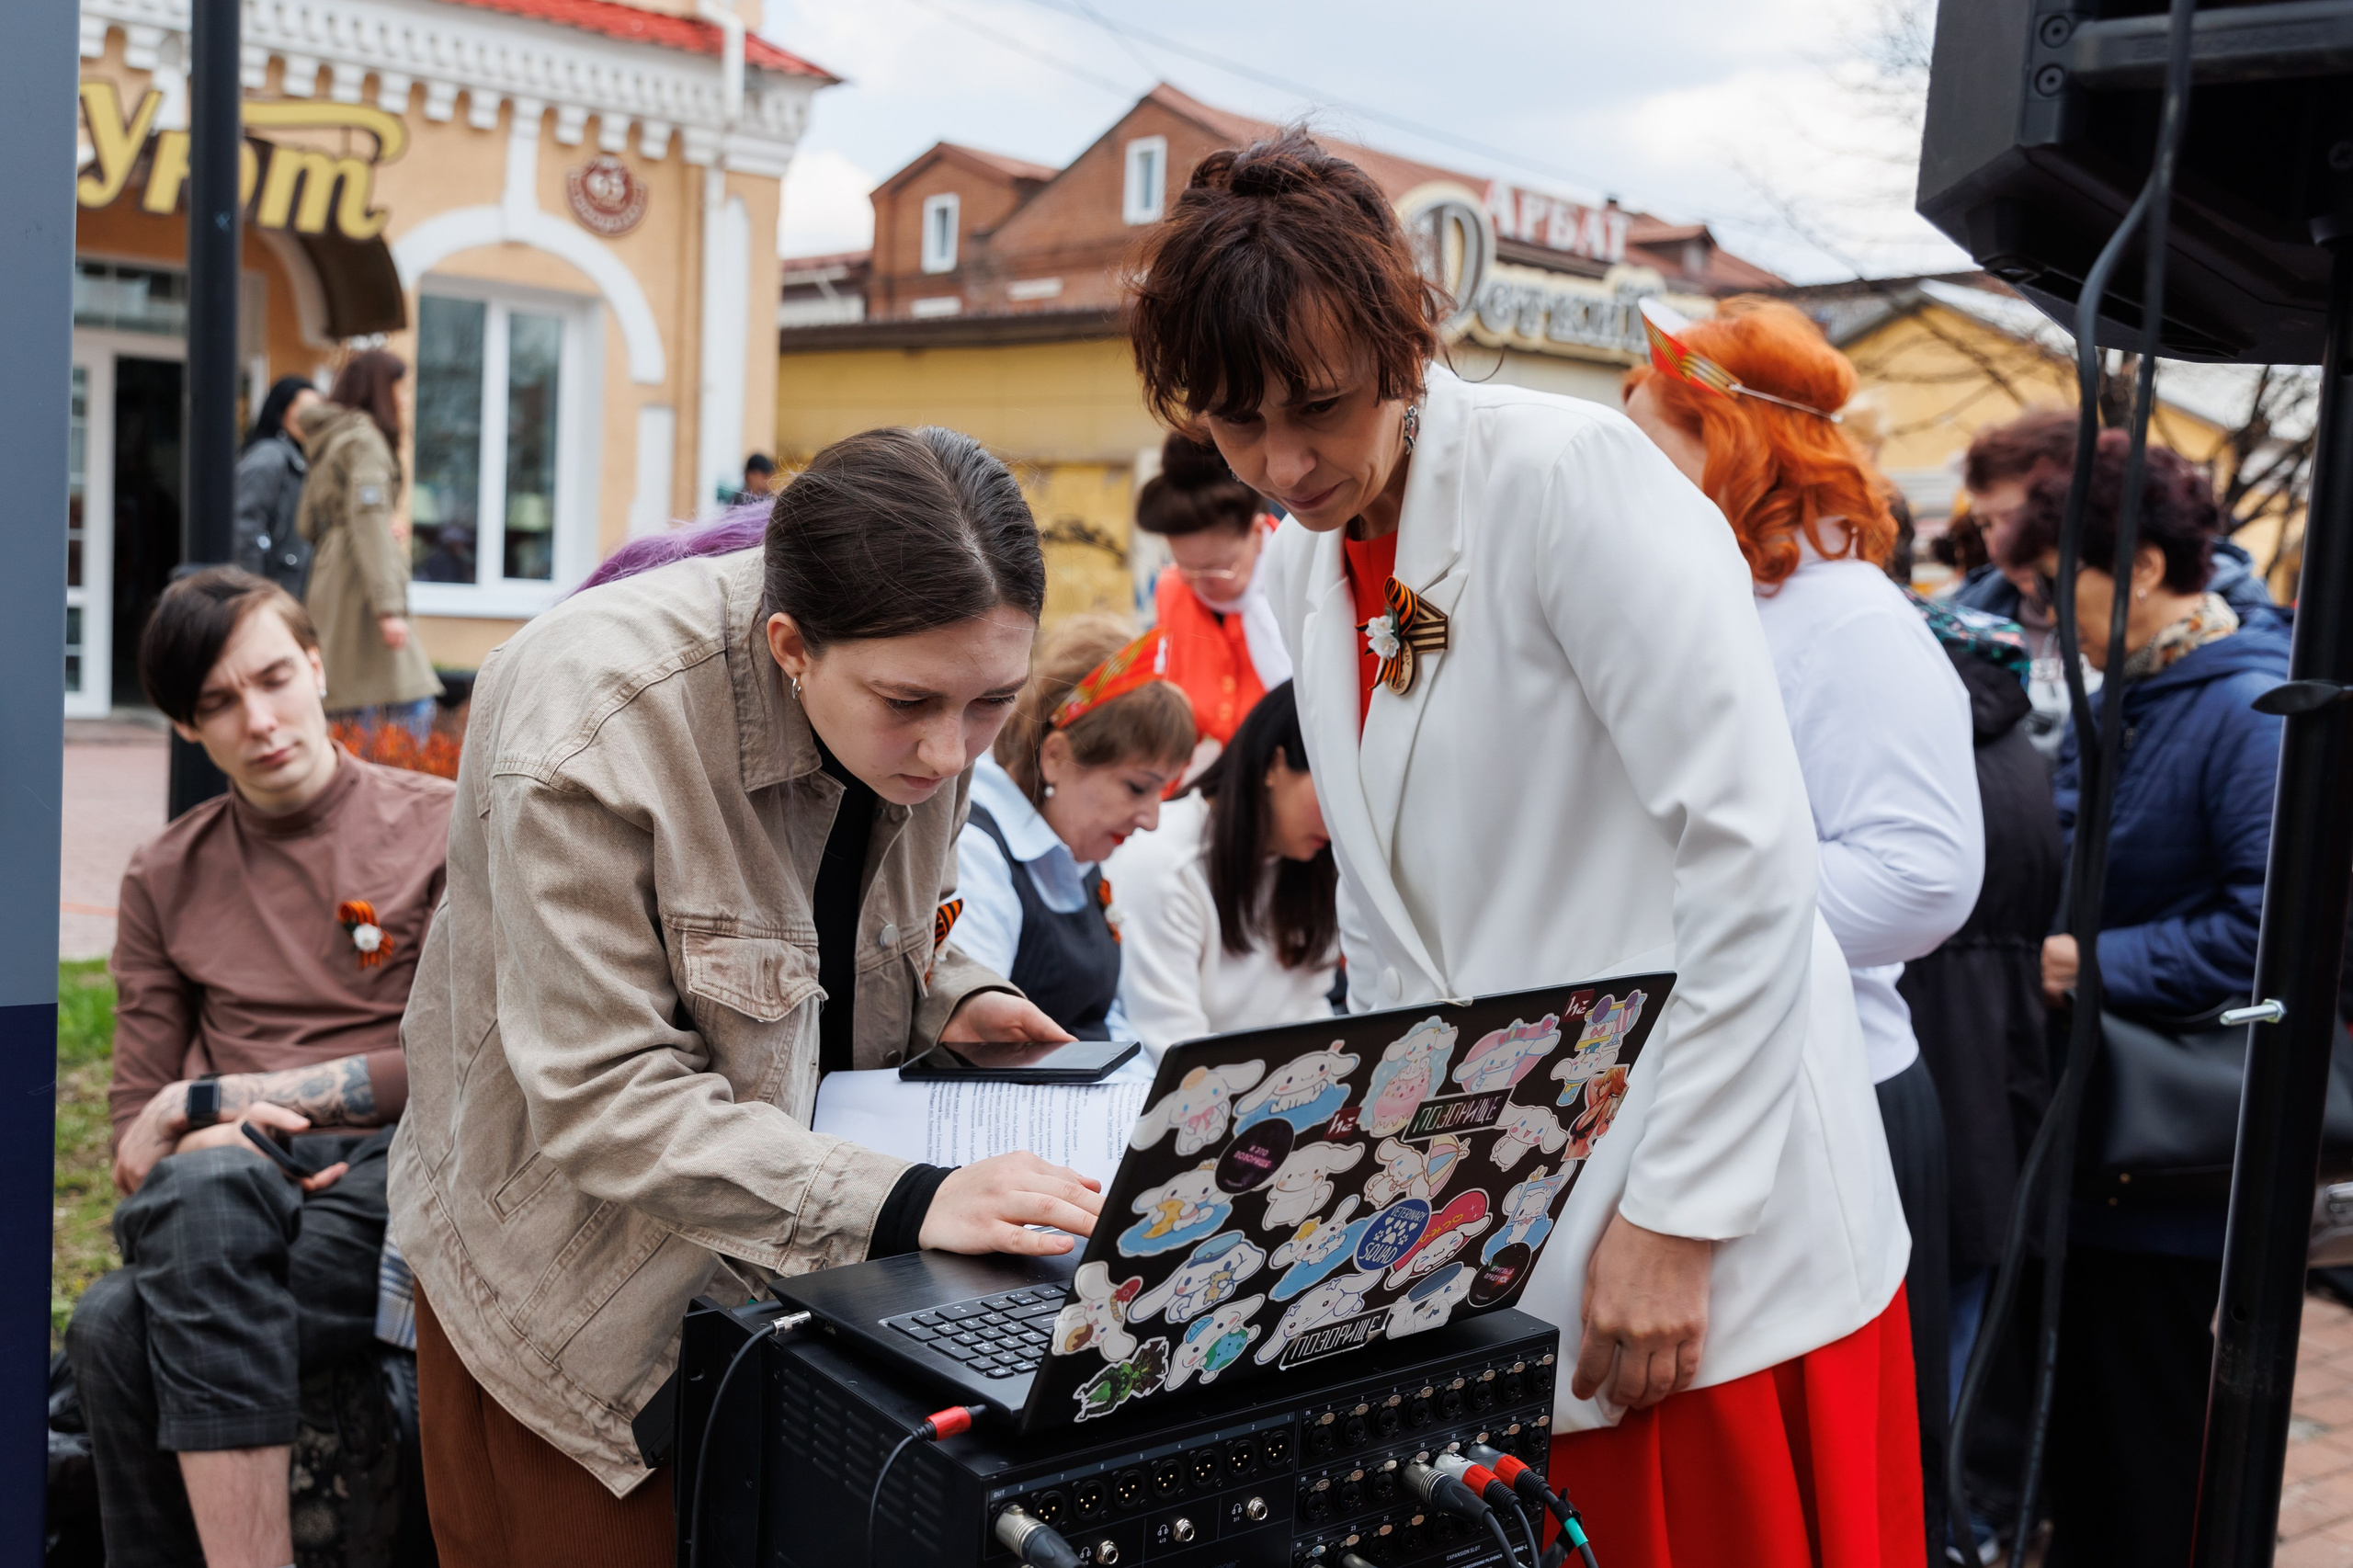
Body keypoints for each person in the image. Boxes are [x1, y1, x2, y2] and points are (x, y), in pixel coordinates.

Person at [1129, 129, 1917, 1567]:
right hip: (1512, 1212)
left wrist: (1683, 1213)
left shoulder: (1574, 477)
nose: (1285, 463)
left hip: (1705, 1207)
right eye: (1237, 425)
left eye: (1318, 405)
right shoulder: (1311, 555)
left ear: (1401, 340)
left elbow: (1751, 853)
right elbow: (1388, 910)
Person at [387, 426, 1108, 1566]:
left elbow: (863, 918)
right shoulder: (589, 727)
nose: (945, 750)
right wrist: (912, 1199)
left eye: (990, 706)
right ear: (789, 645)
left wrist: (950, 991)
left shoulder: (918, 683)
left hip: (802, 1264)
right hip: (580, 1303)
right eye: (910, 701)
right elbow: (602, 1096)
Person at [1623, 297, 1983, 1564]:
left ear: (1727, 440)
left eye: (1647, 437)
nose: (1624, 471)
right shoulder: (1743, 598)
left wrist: (1702, 911)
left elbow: (1925, 876)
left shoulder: (1846, 619)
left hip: (1842, 1092)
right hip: (1749, 1082)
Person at [66, 567, 454, 1568]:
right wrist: (213, 1132)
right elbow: (133, 1135)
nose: (260, 718)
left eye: (274, 677)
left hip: (402, 1187)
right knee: (206, 1186)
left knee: (116, 1321)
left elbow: (465, 1055)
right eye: (218, 703)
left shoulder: (441, 826)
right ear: (189, 729)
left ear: (318, 665)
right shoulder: (166, 874)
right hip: (237, 1192)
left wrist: (221, 1098)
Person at [1997, 431, 2293, 1566]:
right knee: (2082, 1438)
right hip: (2086, 1132)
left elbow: (2266, 926)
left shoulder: (2245, 706)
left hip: (2165, 1146)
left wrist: (2087, 961)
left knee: (2145, 1434)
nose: (2045, 606)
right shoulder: (2134, 692)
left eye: (2061, 577)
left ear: (2147, 570)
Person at [1891, 596, 2063, 1563]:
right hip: (2001, 1071)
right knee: (1966, 1332)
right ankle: (1965, 1526)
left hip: (1918, 1063)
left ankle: (1932, 1529)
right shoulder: (2023, 755)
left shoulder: (1919, 757)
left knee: (1920, 1348)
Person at [1952, 408, 2281, 756]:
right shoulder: (1967, 618)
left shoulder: (2232, 633)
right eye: (1984, 523)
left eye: (2016, 518)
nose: (2000, 545)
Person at [956, 614, 1197, 1042]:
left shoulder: (1076, 850)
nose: (1151, 819)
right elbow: (980, 1048)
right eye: (1137, 787)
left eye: (1163, 792)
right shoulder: (978, 853)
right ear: (1056, 757)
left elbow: (1107, 1019)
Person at [1104, 679, 1338, 1056]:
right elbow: (1171, 1045)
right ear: (1276, 764)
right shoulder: (1164, 860)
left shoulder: (1314, 863)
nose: (1342, 819)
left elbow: (1309, 1010)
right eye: (1333, 790)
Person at [297, 349, 442, 739]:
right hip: (362, 587)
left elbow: (308, 522)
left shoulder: (332, 437)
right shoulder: (365, 441)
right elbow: (368, 519)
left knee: (347, 707)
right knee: (411, 707)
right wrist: (389, 608)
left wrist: (350, 528)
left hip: (334, 578)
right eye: (401, 388)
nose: (406, 399)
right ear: (382, 389)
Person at [1136, 430, 1293, 770]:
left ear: (1255, 532)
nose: (1199, 585)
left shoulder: (1301, 581)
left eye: (1215, 569)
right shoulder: (1172, 590)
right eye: (1186, 567)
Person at [233, 376, 319, 598]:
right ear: (282, 411)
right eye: (305, 409)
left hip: (288, 588)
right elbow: (244, 524)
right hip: (269, 589)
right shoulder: (270, 456)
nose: (312, 417)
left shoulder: (300, 457)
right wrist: (255, 589)